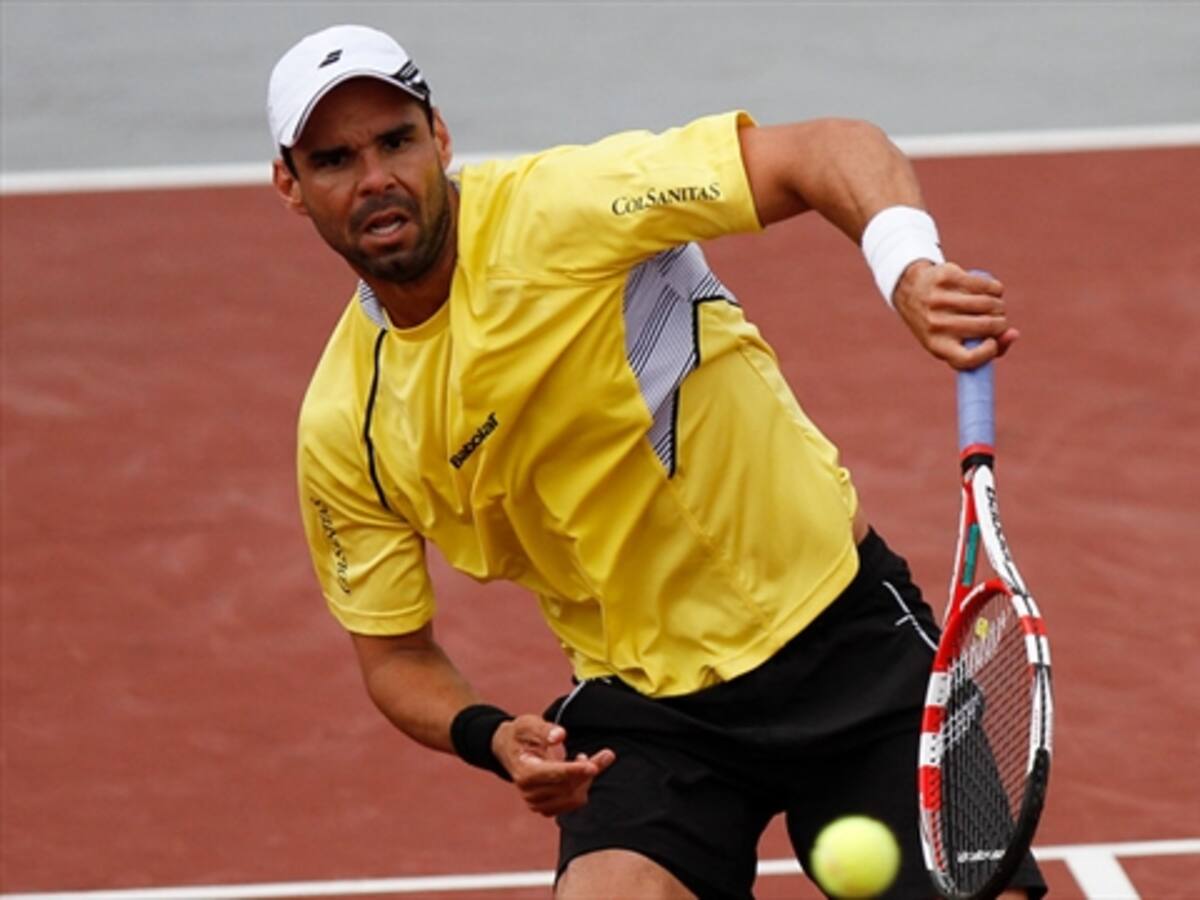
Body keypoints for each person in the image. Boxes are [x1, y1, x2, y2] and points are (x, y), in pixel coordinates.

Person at [268, 23, 1045, 900]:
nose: (376, 178)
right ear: (290, 187)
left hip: (840, 637)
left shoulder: (568, 208)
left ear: (439, 137)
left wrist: (907, 269)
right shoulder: (346, 426)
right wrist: (488, 734)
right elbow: (393, 656)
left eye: (396, 141)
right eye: (334, 160)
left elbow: (827, 149)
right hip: (646, 708)